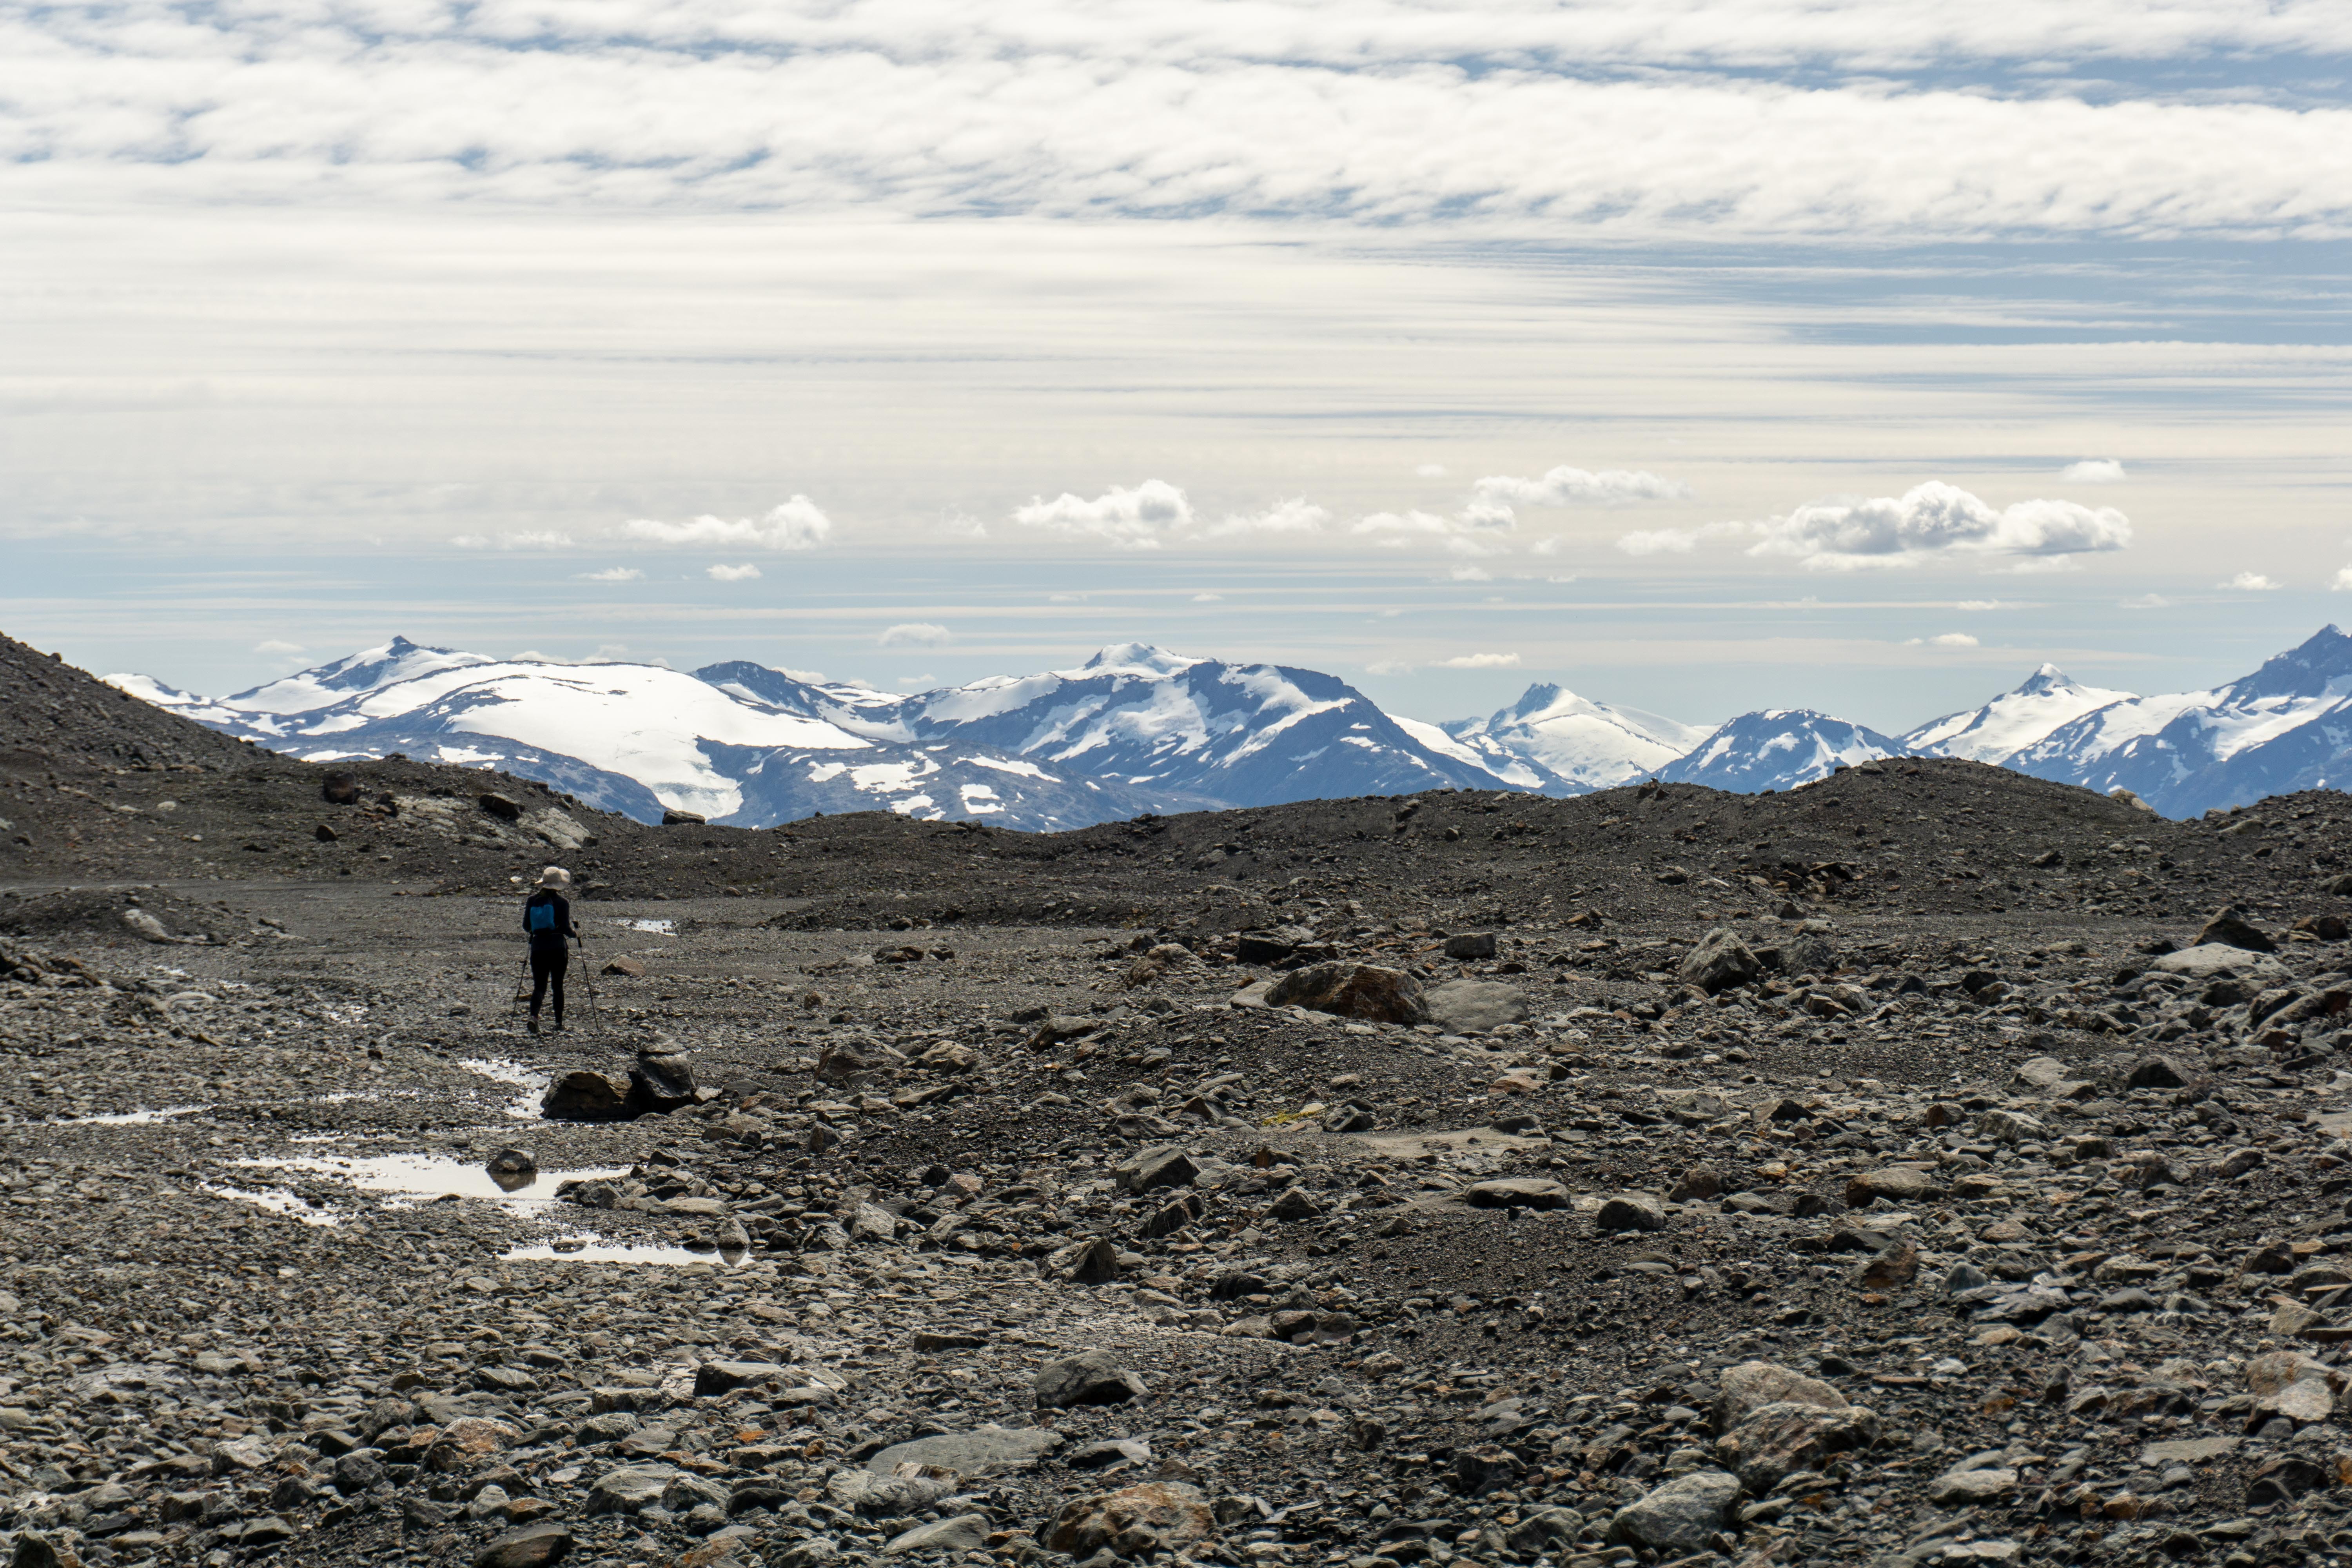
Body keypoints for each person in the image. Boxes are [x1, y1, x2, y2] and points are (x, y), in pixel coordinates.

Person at [522, 866, 579, 1034]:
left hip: (539, 947)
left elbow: (527, 927)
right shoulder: (563, 902)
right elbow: (567, 930)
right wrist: (576, 934)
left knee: (539, 986)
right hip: (557, 948)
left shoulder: (532, 900)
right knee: (557, 986)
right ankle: (559, 1023)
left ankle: (534, 1017)